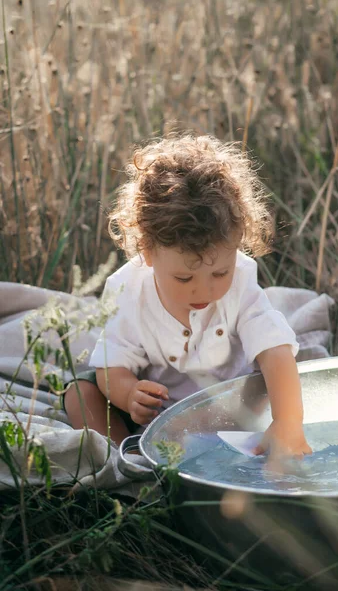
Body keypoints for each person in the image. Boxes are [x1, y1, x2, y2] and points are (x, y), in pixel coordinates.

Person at [64, 134, 312, 461]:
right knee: (80, 393)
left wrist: (287, 421)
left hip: (229, 406)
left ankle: (247, 442)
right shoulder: (127, 289)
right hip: (158, 413)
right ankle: (128, 460)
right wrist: (128, 394)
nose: (204, 290)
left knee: (286, 376)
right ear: (148, 252)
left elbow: (275, 351)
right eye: (184, 278)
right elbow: (112, 367)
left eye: (219, 274)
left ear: (237, 244)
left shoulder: (241, 279)